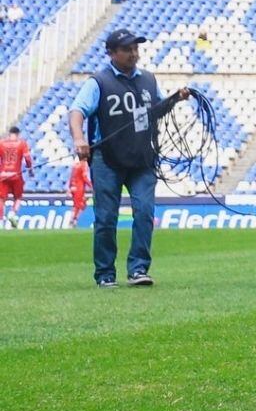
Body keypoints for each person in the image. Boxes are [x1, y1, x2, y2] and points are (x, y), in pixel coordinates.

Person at [68, 31, 190, 286]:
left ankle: (138, 269)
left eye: (135, 48)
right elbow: (77, 110)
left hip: (143, 158)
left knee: (145, 213)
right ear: (111, 53)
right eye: (127, 49)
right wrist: (79, 139)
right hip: (107, 159)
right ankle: (105, 273)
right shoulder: (98, 82)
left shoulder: (148, 79)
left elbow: (157, 109)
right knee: (105, 218)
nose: (133, 53)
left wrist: (175, 99)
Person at [0, 125, 30, 228]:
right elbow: (28, 158)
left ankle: (0, 221)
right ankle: (12, 214)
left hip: (3, 175)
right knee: (18, 197)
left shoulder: (1, 143)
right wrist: (30, 169)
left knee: (1, 199)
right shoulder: (22, 143)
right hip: (16, 175)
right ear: (17, 134)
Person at [68, 153, 91, 227]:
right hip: (79, 188)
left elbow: (71, 177)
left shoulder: (75, 165)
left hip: (73, 188)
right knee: (81, 205)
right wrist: (91, 185)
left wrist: (69, 187)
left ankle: (73, 220)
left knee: (76, 205)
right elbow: (84, 177)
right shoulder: (83, 164)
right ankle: (73, 221)